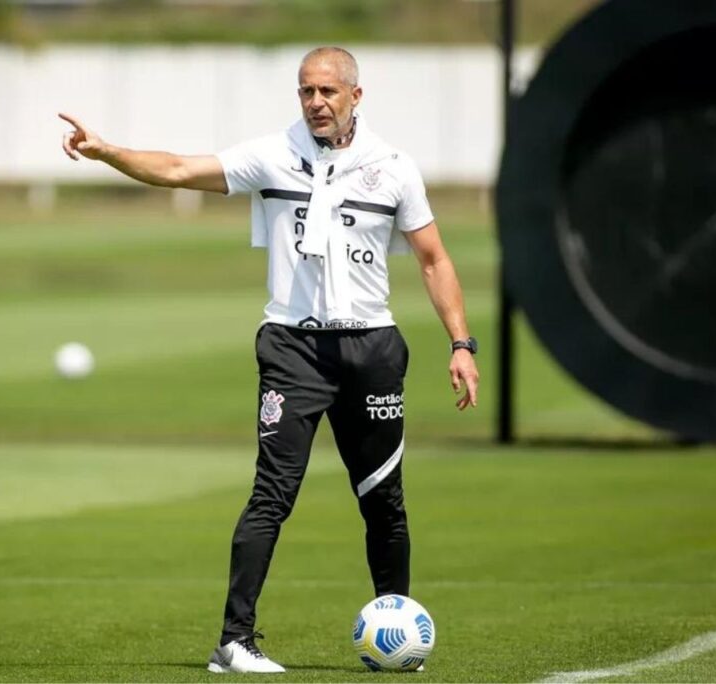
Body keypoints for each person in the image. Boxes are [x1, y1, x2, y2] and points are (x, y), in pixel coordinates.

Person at [60, 46, 479, 674]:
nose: (315, 103)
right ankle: (234, 642)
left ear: (355, 97)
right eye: (306, 91)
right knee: (271, 494)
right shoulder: (271, 155)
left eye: (328, 92)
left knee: (383, 499)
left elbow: (433, 259)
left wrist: (461, 344)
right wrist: (109, 151)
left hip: (371, 350)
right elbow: (176, 169)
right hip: (293, 349)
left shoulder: (393, 168)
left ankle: (396, 632)